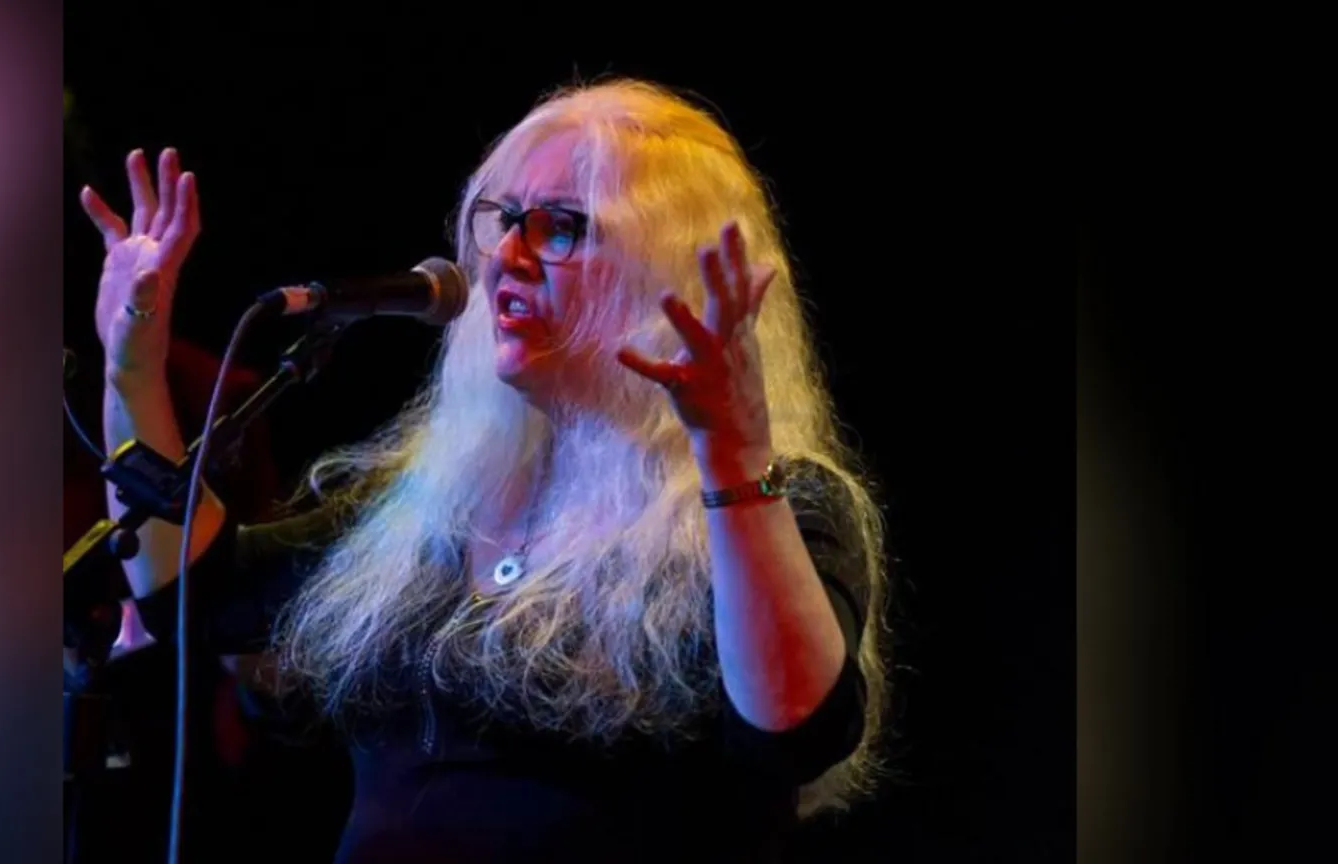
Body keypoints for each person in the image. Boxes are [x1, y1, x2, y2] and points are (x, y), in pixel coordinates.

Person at [79, 77, 890, 863]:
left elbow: (795, 730)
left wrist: (731, 454)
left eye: (560, 227)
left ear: (667, 272)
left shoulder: (774, 501)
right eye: (503, 221)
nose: (507, 256)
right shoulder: (430, 504)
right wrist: (132, 372)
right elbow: (195, 591)